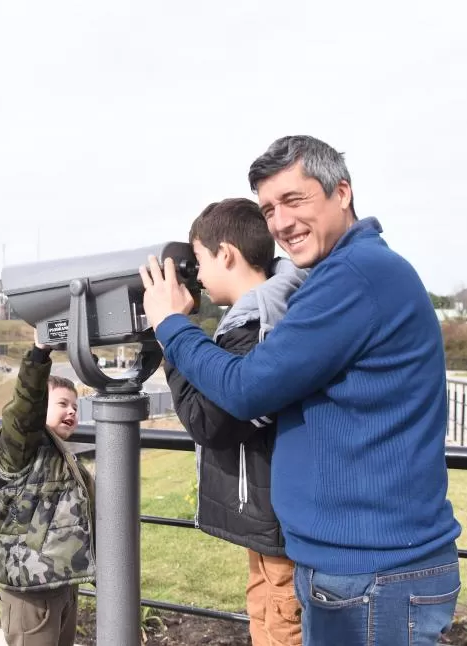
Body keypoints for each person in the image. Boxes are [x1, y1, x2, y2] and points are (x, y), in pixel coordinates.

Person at [140, 135, 462, 645]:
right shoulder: (339, 276)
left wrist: (171, 326)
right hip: (351, 565)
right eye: (269, 209)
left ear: (342, 193)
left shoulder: (355, 277)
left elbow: (245, 389)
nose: (281, 223)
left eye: (295, 200)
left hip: (372, 570)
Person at [165, 197, 308, 646]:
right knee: (266, 619)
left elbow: (209, 421)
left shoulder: (260, 325)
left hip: (281, 525)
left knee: (282, 628)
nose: (199, 276)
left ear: (225, 253)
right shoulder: (258, 315)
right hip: (270, 525)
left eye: (200, 260)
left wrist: (171, 329)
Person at [0, 334, 96, 646]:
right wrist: (39, 355)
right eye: (62, 404)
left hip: (61, 583)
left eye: (75, 406)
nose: (72, 412)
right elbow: (23, 412)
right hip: (30, 592)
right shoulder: (20, 450)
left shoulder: (61, 454)